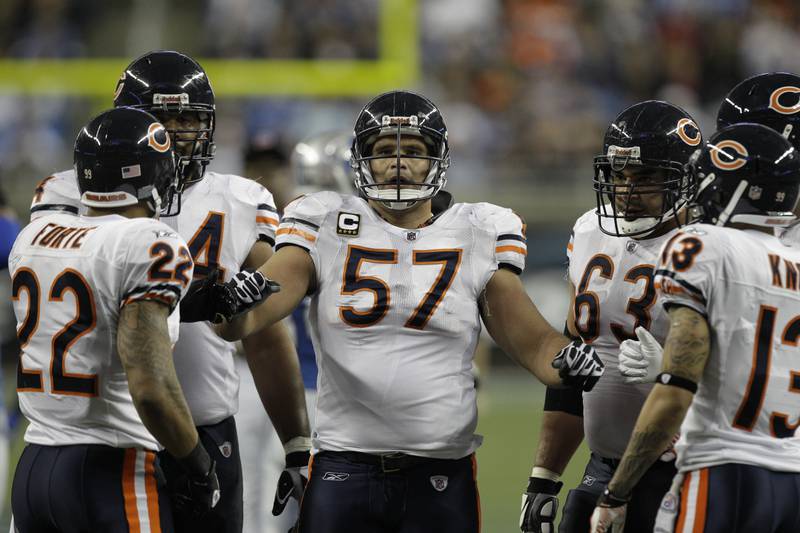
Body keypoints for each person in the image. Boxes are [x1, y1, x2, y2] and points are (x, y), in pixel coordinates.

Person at [216, 90, 606, 533]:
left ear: (437, 160)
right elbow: (265, 300)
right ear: (361, 160)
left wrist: (565, 361)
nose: (398, 163)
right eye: (384, 151)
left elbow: (532, 340)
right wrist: (234, 304)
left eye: (414, 151)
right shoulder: (323, 220)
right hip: (344, 464)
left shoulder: (476, 230)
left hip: (439, 470)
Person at [27, 50, 311, 533]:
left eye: (190, 119)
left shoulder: (242, 199)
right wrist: (204, 298)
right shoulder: (68, 194)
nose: (180, 133)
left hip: (205, 423)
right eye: (164, 119)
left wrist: (296, 442)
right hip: (108, 433)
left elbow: (262, 329)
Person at [10, 107, 219, 532]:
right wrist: (197, 463)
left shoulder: (35, 234)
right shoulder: (149, 242)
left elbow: (96, 293)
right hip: (110, 468)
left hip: (33, 466)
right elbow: (150, 387)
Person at [590, 123, 800, 533]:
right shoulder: (795, 262)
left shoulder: (703, 246)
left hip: (725, 473)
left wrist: (616, 492)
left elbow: (675, 391)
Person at [520, 100, 703, 533]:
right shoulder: (589, 231)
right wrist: (543, 479)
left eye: (646, 177)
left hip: (689, 468)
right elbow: (575, 368)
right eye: (619, 176)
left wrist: (681, 374)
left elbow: (753, 376)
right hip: (602, 468)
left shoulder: (709, 246)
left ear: (687, 178)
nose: (627, 191)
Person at [236, 131, 354, 533]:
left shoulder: (294, 227)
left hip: (321, 386)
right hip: (293, 379)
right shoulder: (279, 224)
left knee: (278, 485)